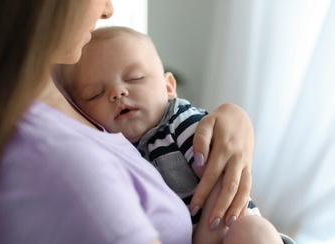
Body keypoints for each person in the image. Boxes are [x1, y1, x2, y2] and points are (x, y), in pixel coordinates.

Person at [0, 0, 257, 243]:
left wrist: (234, 118)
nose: (109, 8)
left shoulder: (58, 86)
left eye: (134, 79)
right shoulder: (59, 164)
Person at [61, 26, 294, 243]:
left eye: (135, 78)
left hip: (228, 231)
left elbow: (222, 181)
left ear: (169, 87)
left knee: (253, 230)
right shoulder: (107, 151)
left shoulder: (179, 122)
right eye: (95, 93)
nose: (118, 92)